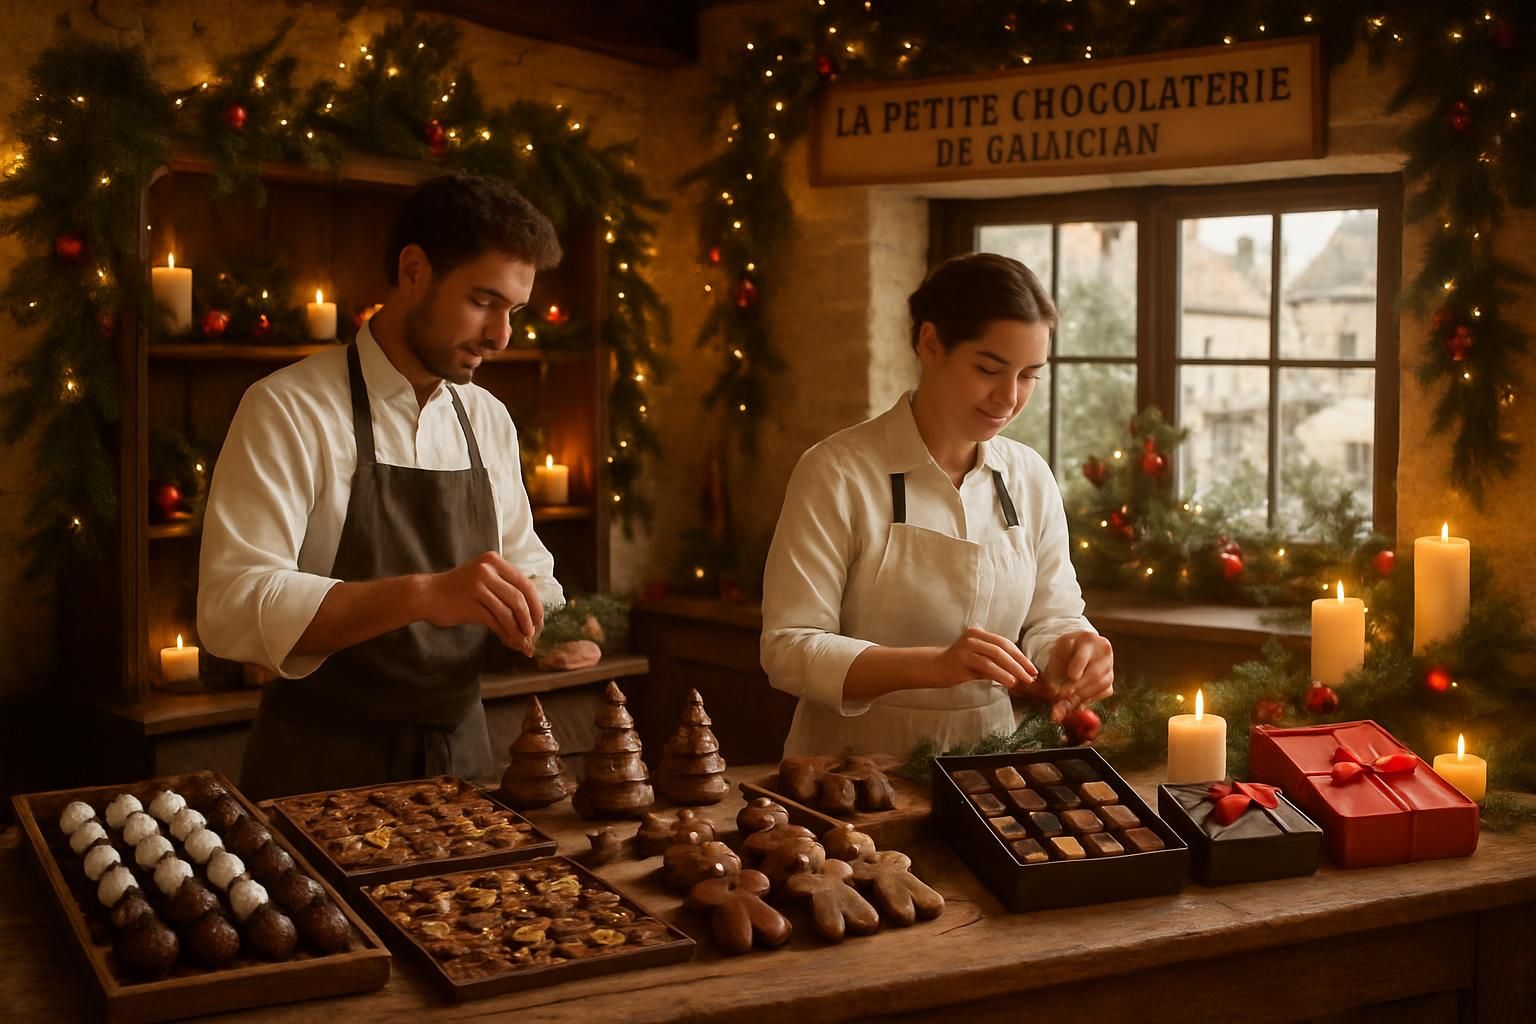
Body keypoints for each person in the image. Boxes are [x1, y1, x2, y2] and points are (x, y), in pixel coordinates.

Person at [197, 173, 565, 799]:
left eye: (514, 312)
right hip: (317, 772)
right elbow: (232, 605)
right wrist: (422, 594)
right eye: (483, 300)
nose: (502, 337)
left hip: (462, 765)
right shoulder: (289, 408)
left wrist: (545, 624)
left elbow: (532, 569)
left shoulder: (489, 420)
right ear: (414, 269)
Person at [760, 252, 1113, 757]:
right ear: (930, 343)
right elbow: (788, 648)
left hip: (990, 769)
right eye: (989, 369)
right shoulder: (836, 472)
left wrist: (1074, 649)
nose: (1009, 397)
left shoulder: (1029, 476)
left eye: (1030, 375)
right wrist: (933, 666)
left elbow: (1051, 616)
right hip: (849, 774)